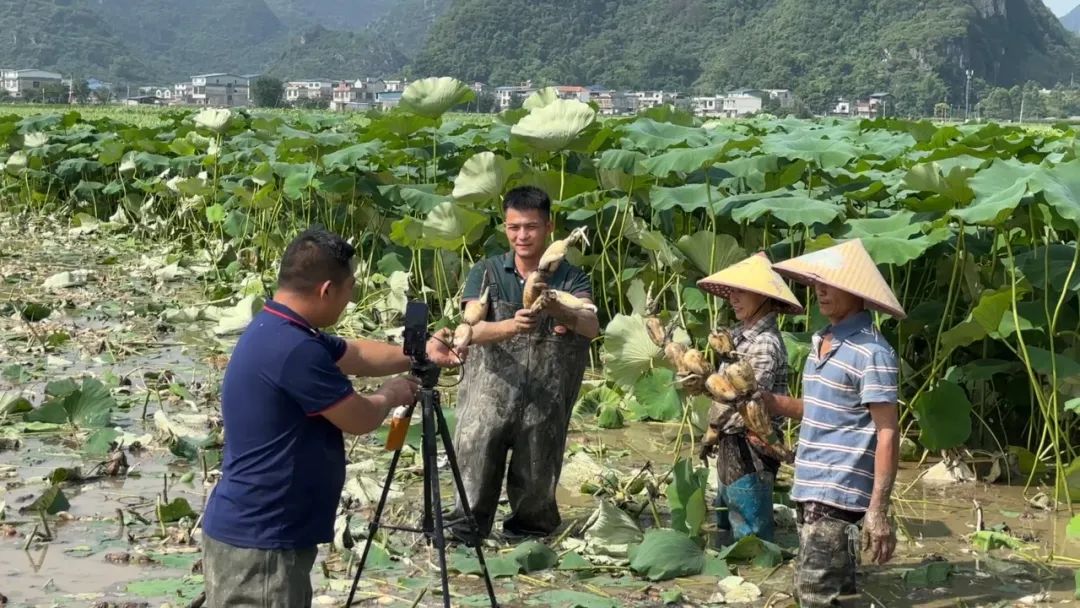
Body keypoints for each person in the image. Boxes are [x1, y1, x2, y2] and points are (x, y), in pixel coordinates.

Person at [200, 226, 464, 608]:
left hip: (261, 531)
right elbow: (359, 418)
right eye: (349, 290)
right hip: (263, 540)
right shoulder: (295, 349)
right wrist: (391, 394)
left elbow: (355, 354)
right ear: (327, 290)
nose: (349, 300)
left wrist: (420, 352)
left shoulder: (280, 326)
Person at [756, 238, 904, 608]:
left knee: (819, 594)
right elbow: (822, 408)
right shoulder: (821, 340)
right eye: (817, 282)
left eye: (830, 283)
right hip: (809, 483)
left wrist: (878, 511)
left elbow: (888, 431)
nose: (820, 290)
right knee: (823, 593)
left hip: (840, 490)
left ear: (857, 290)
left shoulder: (873, 352)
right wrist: (768, 402)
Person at [447, 185, 600, 543]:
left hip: (546, 398)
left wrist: (556, 306)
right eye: (514, 227)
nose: (522, 236)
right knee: (475, 458)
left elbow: (591, 326)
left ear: (549, 227)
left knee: (538, 471)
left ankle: (529, 538)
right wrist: (511, 326)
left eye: (531, 227)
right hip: (489, 393)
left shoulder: (571, 278)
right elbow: (469, 330)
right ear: (505, 227)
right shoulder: (486, 272)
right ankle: (465, 535)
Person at [696, 251, 805, 546]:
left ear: (764, 296)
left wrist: (712, 419)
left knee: (752, 541)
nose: (733, 298)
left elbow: (745, 404)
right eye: (731, 291)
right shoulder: (736, 338)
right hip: (730, 442)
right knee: (726, 528)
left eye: (741, 291)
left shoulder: (764, 344)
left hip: (752, 447)